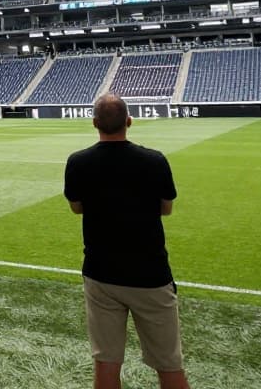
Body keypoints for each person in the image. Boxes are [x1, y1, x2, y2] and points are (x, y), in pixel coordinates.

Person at [64, 93, 190, 389]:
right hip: (151, 274)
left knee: (106, 364)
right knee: (169, 366)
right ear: (129, 121)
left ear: (94, 123)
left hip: (101, 273)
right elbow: (166, 209)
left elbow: (76, 207)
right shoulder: (154, 160)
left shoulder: (78, 161)